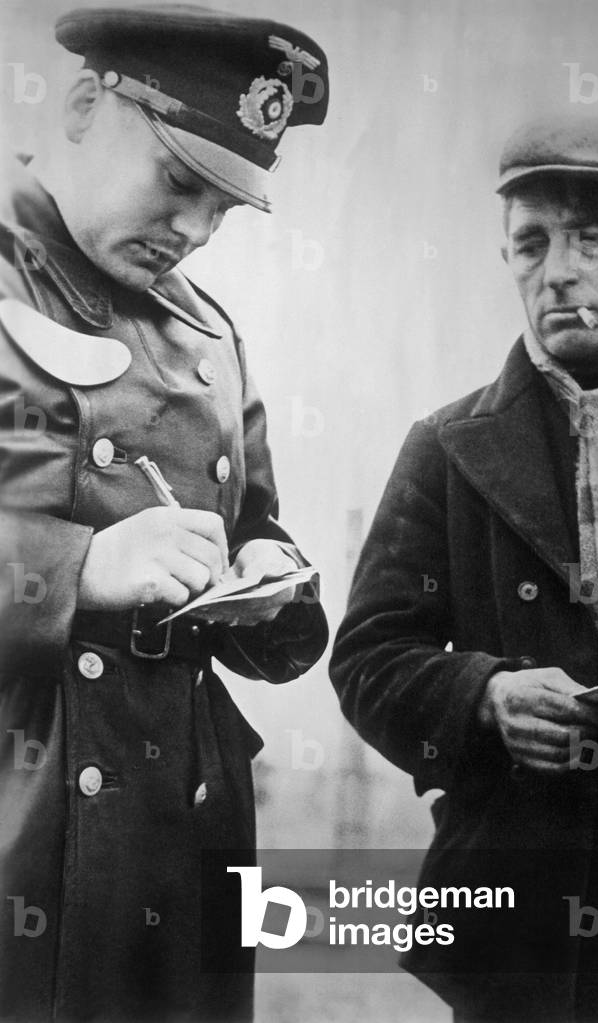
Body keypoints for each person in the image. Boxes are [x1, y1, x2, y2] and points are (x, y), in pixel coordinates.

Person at [330, 115, 598, 1022]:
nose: (559, 271)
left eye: (592, 238)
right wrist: (482, 697)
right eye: (531, 244)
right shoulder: (445, 447)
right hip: (524, 932)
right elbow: (368, 658)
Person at [0, 5, 329, 1020]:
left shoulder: (208, 335)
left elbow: (257, 522)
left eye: (224, 207)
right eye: (181, 181)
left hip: (181, 831)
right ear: (88, 105)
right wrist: (81, 570)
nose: (193, 229)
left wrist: (262, 588)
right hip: (24, 820)